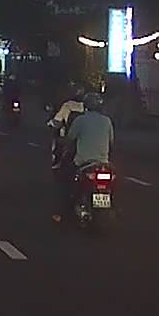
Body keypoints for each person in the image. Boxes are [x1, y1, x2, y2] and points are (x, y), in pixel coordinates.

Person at [53, 92, 114, 222]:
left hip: (83, 162)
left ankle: (62, 214)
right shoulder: (107, 121)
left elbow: (70, 138)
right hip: (103, 163)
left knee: (66, 181)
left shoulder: (80, 120)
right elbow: (111, 141)